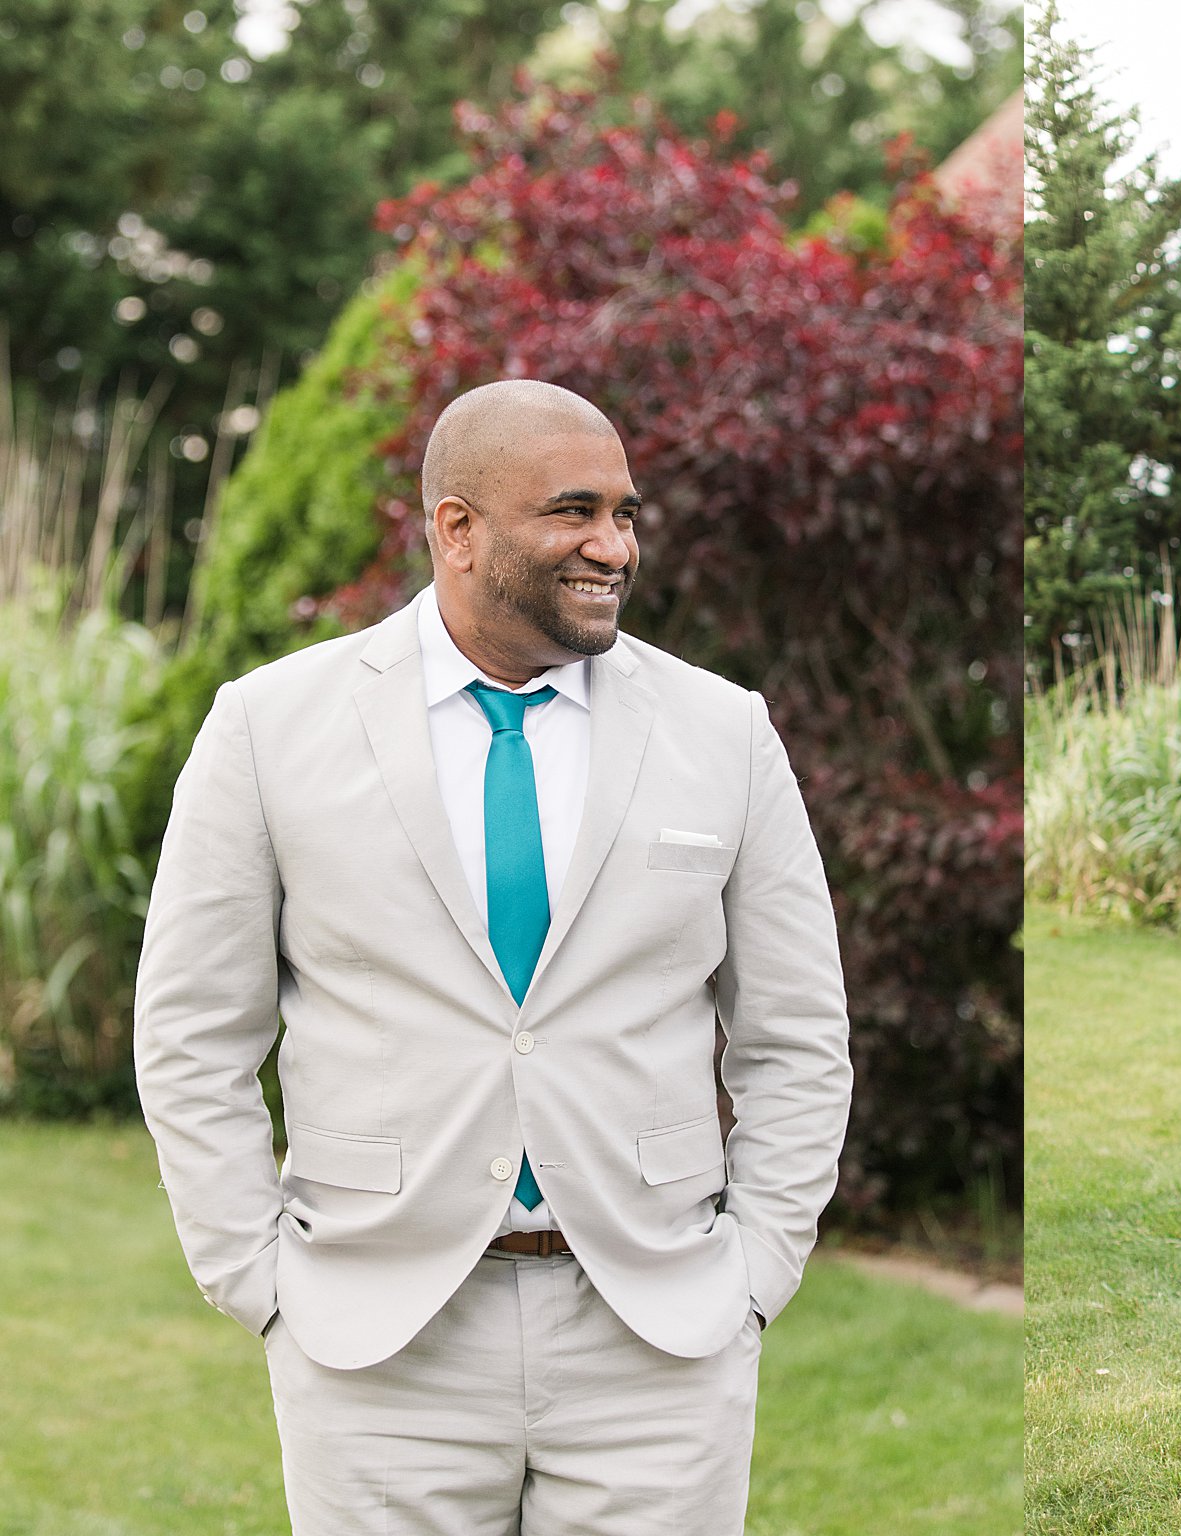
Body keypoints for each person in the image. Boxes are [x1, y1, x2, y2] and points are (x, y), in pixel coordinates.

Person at [134, 379, 853, 1533]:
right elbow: (190, 1037)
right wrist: (258, 1284)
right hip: (376, 1342)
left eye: (625, 514)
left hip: (659, 1335)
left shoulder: (724, 731)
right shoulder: (269, 727)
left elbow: (798, 1035)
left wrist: (754, 1273)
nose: (612, 546)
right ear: (456, 528)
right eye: (573, 512)